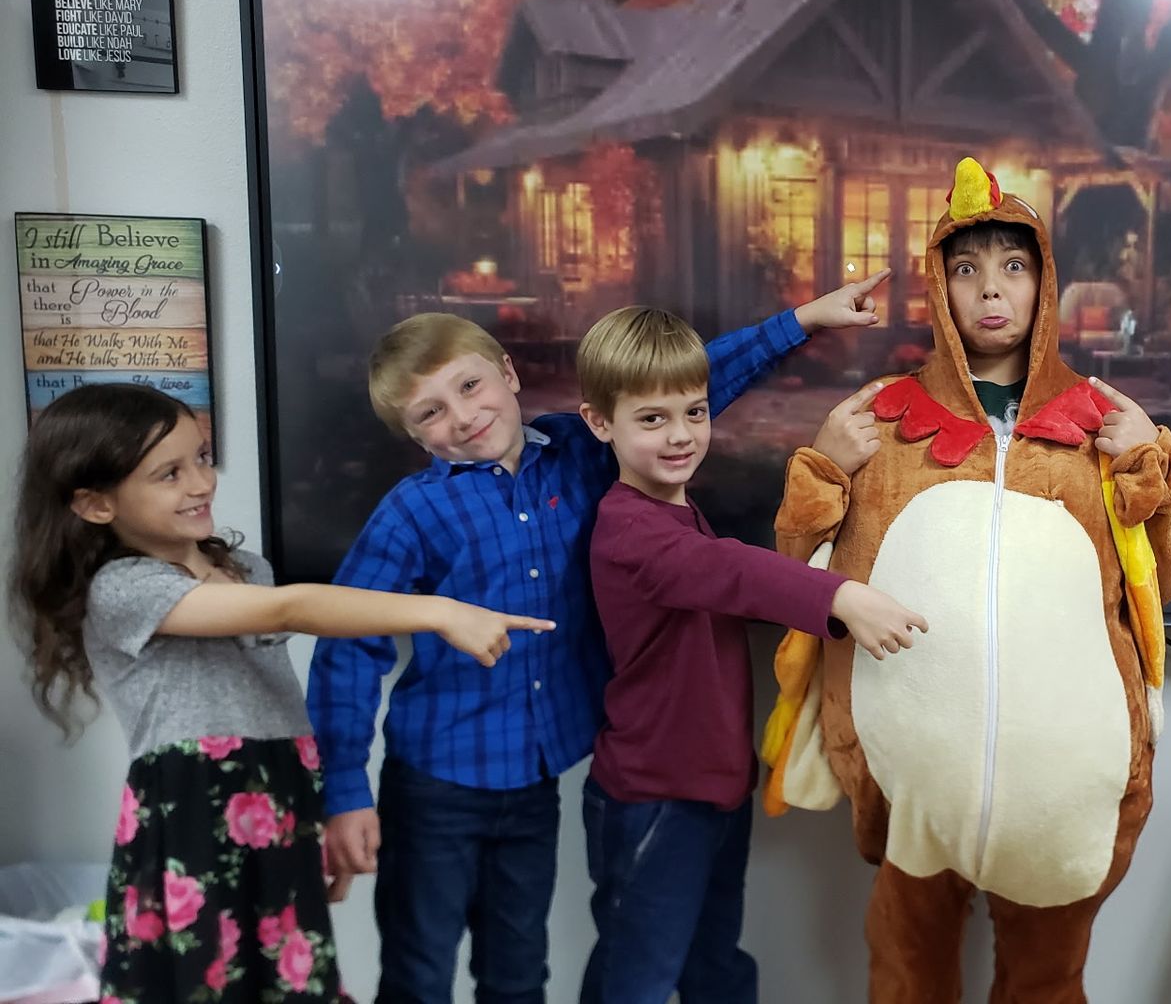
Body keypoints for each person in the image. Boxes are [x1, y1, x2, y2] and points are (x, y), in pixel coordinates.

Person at [307, 277, 885, 1002]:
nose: (463, 416)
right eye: (431, 410)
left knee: (518, 972)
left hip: (540, 774)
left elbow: (673, 385)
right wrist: (345, 788)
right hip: (438, 777)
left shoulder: (577, 450)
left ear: (508, 375)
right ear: (411, 431)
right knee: (420, 969)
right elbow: (346, 642)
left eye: (470, 386)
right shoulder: (411, 512)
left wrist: (802, 320)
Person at [762, 157, 1171, 1002]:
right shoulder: (884, 419)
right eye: (965, 269)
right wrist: (823, 469)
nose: (990, 291)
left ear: (1045, 283)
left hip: (1063, 786)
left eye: (1013, 266)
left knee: (1047, 981)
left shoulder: (1101, 421)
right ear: (939, 286)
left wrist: (1151, 463)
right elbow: (796, 576)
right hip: (914, 786)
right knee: (905, 972)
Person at [10, 383, 546, 1002]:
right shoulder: (124, 589)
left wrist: (319, 812)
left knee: (286, 980)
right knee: (208, 982)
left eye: (203, 458)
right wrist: (440, 611)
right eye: (169, 474)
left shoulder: (245, 569)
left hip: (278, 798)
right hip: (195, 816)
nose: (200, 483)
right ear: (97, 505)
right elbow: (292, 607)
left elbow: (280, 708)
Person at [571, 305, 926, 1003]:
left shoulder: (676, 506)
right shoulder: (629, 529)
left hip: (711, 789)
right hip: (655, 798)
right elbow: (732, 571)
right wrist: (842, 597)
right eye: (653, 420)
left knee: (716, 969)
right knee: (634, 982)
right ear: (599, 423)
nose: (681, 436)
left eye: (695, 413)